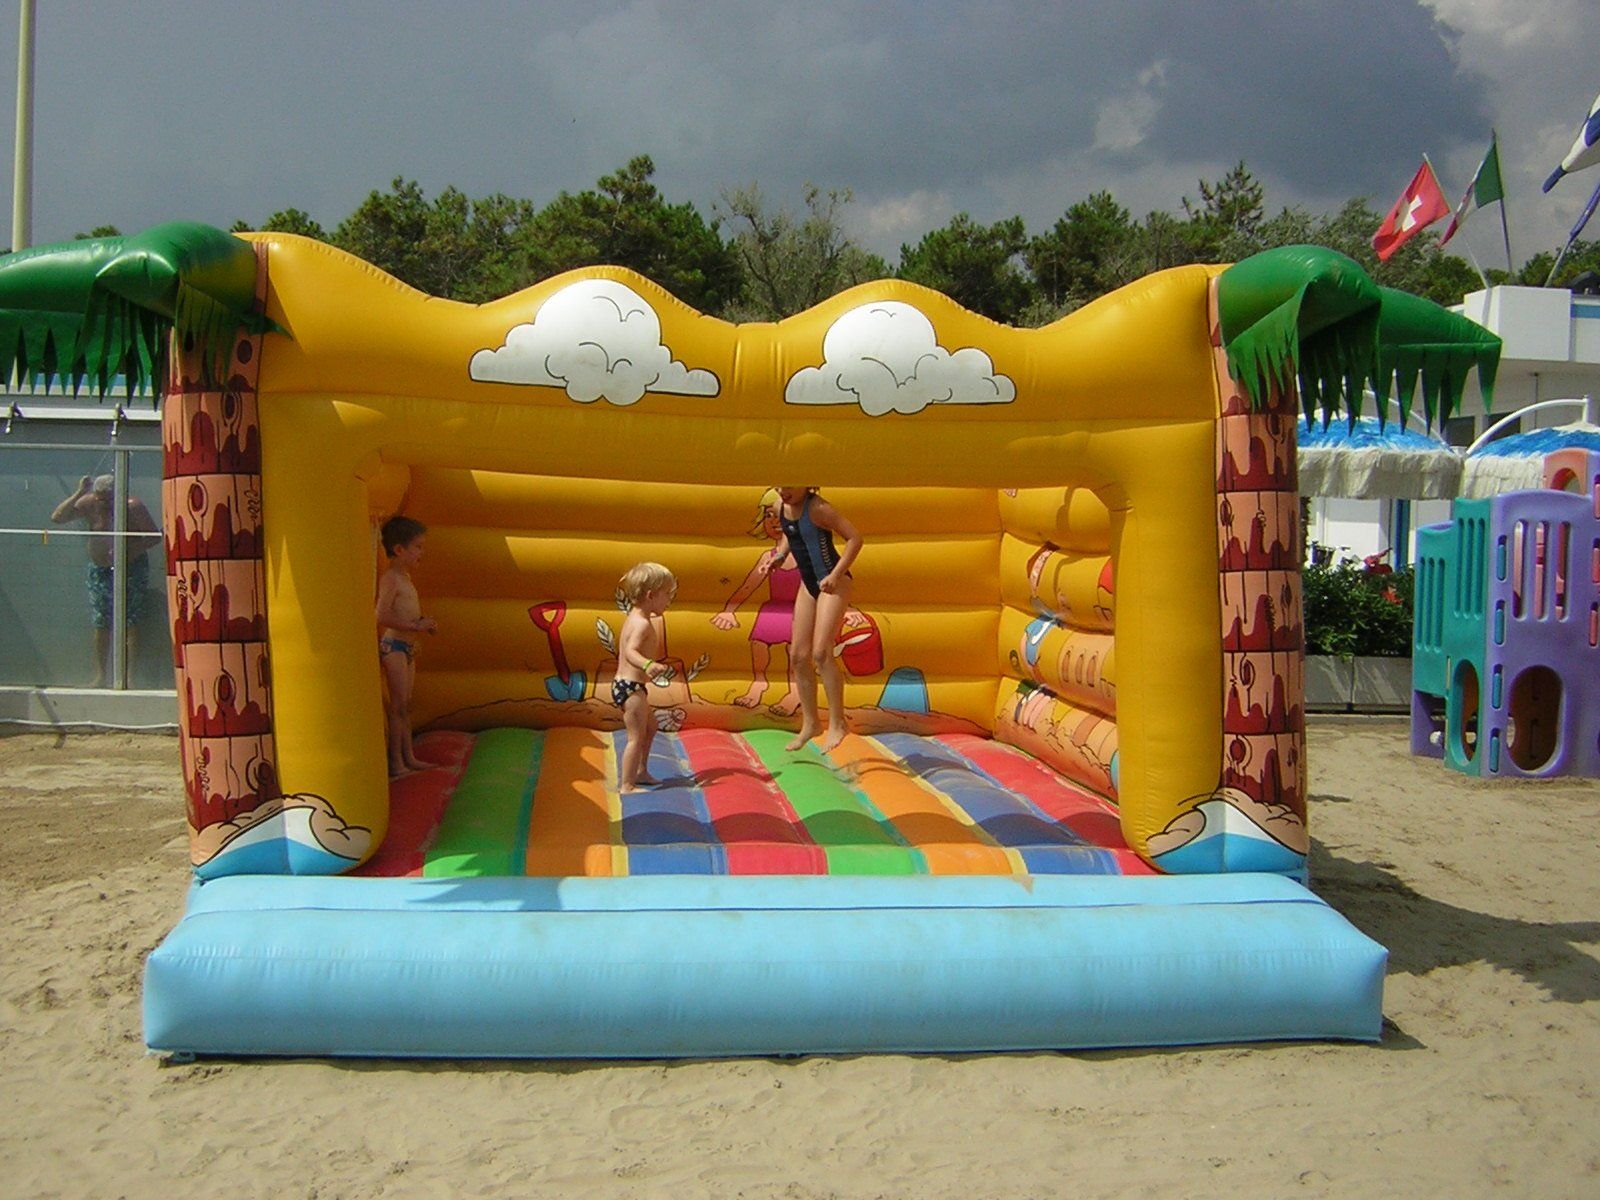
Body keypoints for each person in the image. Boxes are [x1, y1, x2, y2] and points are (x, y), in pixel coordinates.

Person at [766, 487, 862, 752]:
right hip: (809, 585)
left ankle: (837, 723)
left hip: (835, 581)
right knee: (798, 655)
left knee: (821, 653)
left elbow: (855, 538)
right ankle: (810, 723)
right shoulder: (779, 506)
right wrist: (781, 555)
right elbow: (790, 532)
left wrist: (836, 574)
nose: (783, 491)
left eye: (789, 485)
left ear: (806, 481)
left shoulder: (819, 508)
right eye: (779, 485)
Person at [50, 473, 160, 688]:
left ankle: (128, 677)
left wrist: (129, 550)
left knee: (130, 621)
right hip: (100, 570)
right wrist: (80, 492)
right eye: (100, 498)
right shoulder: (90, 503)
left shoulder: (132, 506)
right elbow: (57, 517)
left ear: (117, 494)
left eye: (107, 499)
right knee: (101, 622)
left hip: (130, 569)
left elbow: (154, 537)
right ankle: (101, 676)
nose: (103, 503)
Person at [711, 488, 802, 715]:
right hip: (773, 608)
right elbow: (749, 586)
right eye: (768, 515)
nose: (773, 521)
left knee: (795, 650)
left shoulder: (806, 554)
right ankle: (759, 683)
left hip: (800, 611)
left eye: (779, 515)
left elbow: (826, 583)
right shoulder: (767, 557)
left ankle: (795, 691)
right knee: (759, 642)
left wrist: (846, 610)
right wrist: (730, 610)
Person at [376, 516, 437, 777]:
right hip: (395, 646)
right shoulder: (391, 578)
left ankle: (409, 756)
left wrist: (423, 623)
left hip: (407, 647)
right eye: (418, 547)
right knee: (399, 706)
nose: (421, 552)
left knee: (406, 706)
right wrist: (415, 627)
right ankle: (397, 762)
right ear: (400, 550)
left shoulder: (406, 577)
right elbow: (380, 615)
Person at [615, 561, 676, 792]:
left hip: (633, 686)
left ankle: (640, 771)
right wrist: (648, 664)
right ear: (650, 596)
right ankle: (627, 784)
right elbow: (631, 652)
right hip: (630, 687)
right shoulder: (641, 624)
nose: (669, 601)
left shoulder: (636, 618)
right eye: (667, 595)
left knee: (650, 728)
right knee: (635, 737)